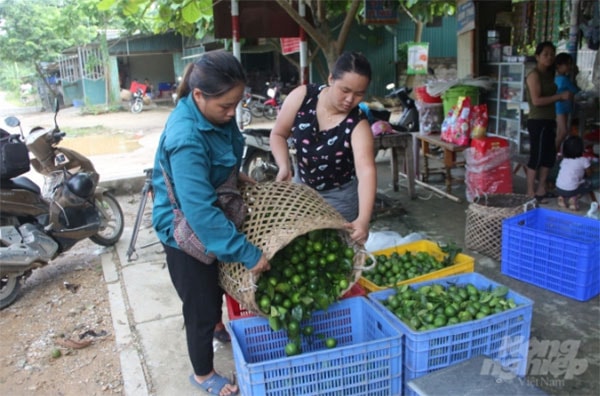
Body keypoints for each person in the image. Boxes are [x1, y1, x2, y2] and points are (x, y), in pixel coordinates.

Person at [151, 50, 270, 396]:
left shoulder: (217, 113)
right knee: (199, 305)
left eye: (237, 104)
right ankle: (202, 374)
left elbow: (224, 155)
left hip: (209, 219)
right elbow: (200, 213)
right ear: (198, 95)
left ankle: (219, 324)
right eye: (226, 107)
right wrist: (247, 253)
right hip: (184, 230)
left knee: (215, 281)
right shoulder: (185, 137)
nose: (232, 113)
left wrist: (237, 177)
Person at [270, 51, 376, 244]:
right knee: (299, 247)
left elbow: (366, 171)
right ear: (330, 79)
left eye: (359, 94)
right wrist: (284, 166)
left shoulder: (358, 124)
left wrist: (363, 220)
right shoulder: (303, 97)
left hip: (340, 199)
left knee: (335, 252)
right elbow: (278, 134)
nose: (350, 99)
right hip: (302, 192)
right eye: (345, 90)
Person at [525, 41, 573, 203]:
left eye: (552, 54)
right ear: (537, 56)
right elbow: (536, 100)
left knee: (549, 156)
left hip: (549, 120)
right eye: (545, 54)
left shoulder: (550, 74)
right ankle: (530, 191)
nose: (549, 57)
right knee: (536, 157)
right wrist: (560, 97)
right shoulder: (534, 75)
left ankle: (541, 189)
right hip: (537, 121)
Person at [555, 135, 593, 211]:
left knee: (569, 183)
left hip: (558, 188)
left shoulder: (564, 160)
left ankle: (561, 198)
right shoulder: (583, 160)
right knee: (589, 184)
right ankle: (573, 198)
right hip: (572, 190)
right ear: (581, 148)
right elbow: (589, 173)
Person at [554, 53, 581, 151]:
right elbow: (575, 90)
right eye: (567, 64)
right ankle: (553, 152)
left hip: (560, 106)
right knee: (563, 131)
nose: (569, 67)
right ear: (559, 65)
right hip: (561, 107)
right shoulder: (564, 79)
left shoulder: (557, 78)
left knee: (560, 131)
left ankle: (555, 152)